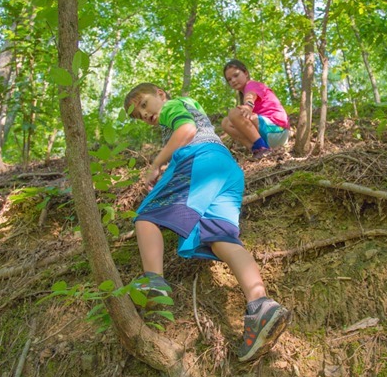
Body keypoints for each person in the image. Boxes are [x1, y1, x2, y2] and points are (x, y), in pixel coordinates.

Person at [123, 83, 291, 362]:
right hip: (226, 169)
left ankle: (153, 282)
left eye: (143, 104)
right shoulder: (189, 105)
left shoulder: (173, 106)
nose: (145, 114)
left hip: (198, 161)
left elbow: (187, 131)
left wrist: (156, 164)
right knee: (220, 238)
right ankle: (260, 305)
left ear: (161, 95)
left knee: (147, 216)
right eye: (139, 116)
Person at [222, 59, 290, 159]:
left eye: (236, 75)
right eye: (229, 79)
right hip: (271, 135)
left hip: (278, 130)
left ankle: (263, 149)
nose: (233, 80)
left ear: (245, 73)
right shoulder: (244, 92)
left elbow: (250, 96)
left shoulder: (252, 84)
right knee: (226, 123)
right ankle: (257, 149)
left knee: (234, 113)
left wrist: (248, 106)